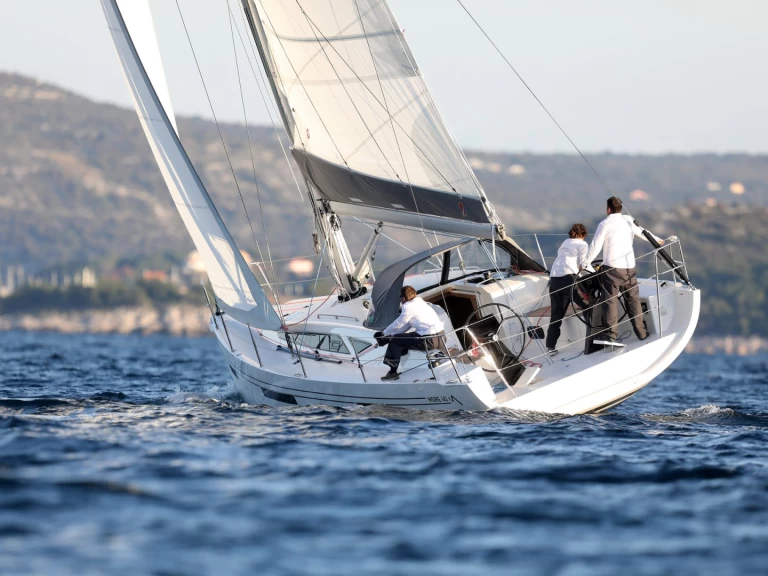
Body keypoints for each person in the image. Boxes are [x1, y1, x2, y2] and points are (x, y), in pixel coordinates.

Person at [583, 197, 664, 346]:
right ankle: (641, 332)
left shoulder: (604, 224)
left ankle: (611, 335)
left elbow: (595, 246)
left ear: (608, 209)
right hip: (629, 268)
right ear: (620, 208)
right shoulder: (628, 220)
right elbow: (644, 232)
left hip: (612, 269)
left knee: (610, 301)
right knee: (633, 300)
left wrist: (585, 263)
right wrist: (657, 240)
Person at [374, 285, 445, 381]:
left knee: (395, 341)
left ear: (404, 298)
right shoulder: (420, 303)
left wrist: (383, 333)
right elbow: (406, 325)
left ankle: (392, 372)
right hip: (441, 338)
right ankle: (401, 354)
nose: (400, 300)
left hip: (429, 340)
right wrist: (389, 336)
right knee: (397, 338)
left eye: (400, 297)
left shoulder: (408, 306)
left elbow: (399, 323)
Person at [545, 223, 589, 356]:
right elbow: (584, 265)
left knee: (556, 315)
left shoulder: (565, 242)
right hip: (569, 279)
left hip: (554, 279)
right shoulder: (583, 244)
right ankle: (593, 339)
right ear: (583, 235)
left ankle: (550, 347)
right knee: (587, 306)